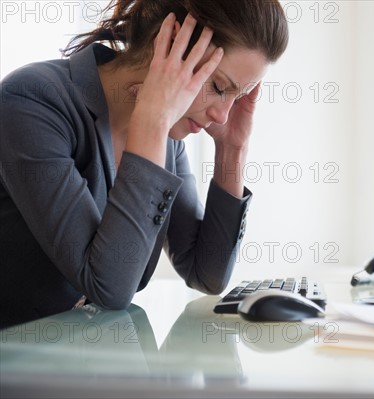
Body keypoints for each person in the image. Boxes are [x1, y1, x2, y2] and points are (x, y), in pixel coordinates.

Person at [0, 0, 289, 328]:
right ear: (168, 45)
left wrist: (232, 148)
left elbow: (206, 274)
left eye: (237, 97)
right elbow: (108, 287)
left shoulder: (167, 136)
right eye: (219, 87)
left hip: (91, 360)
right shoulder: (32, 101)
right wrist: (153, 121)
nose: (221, 115)